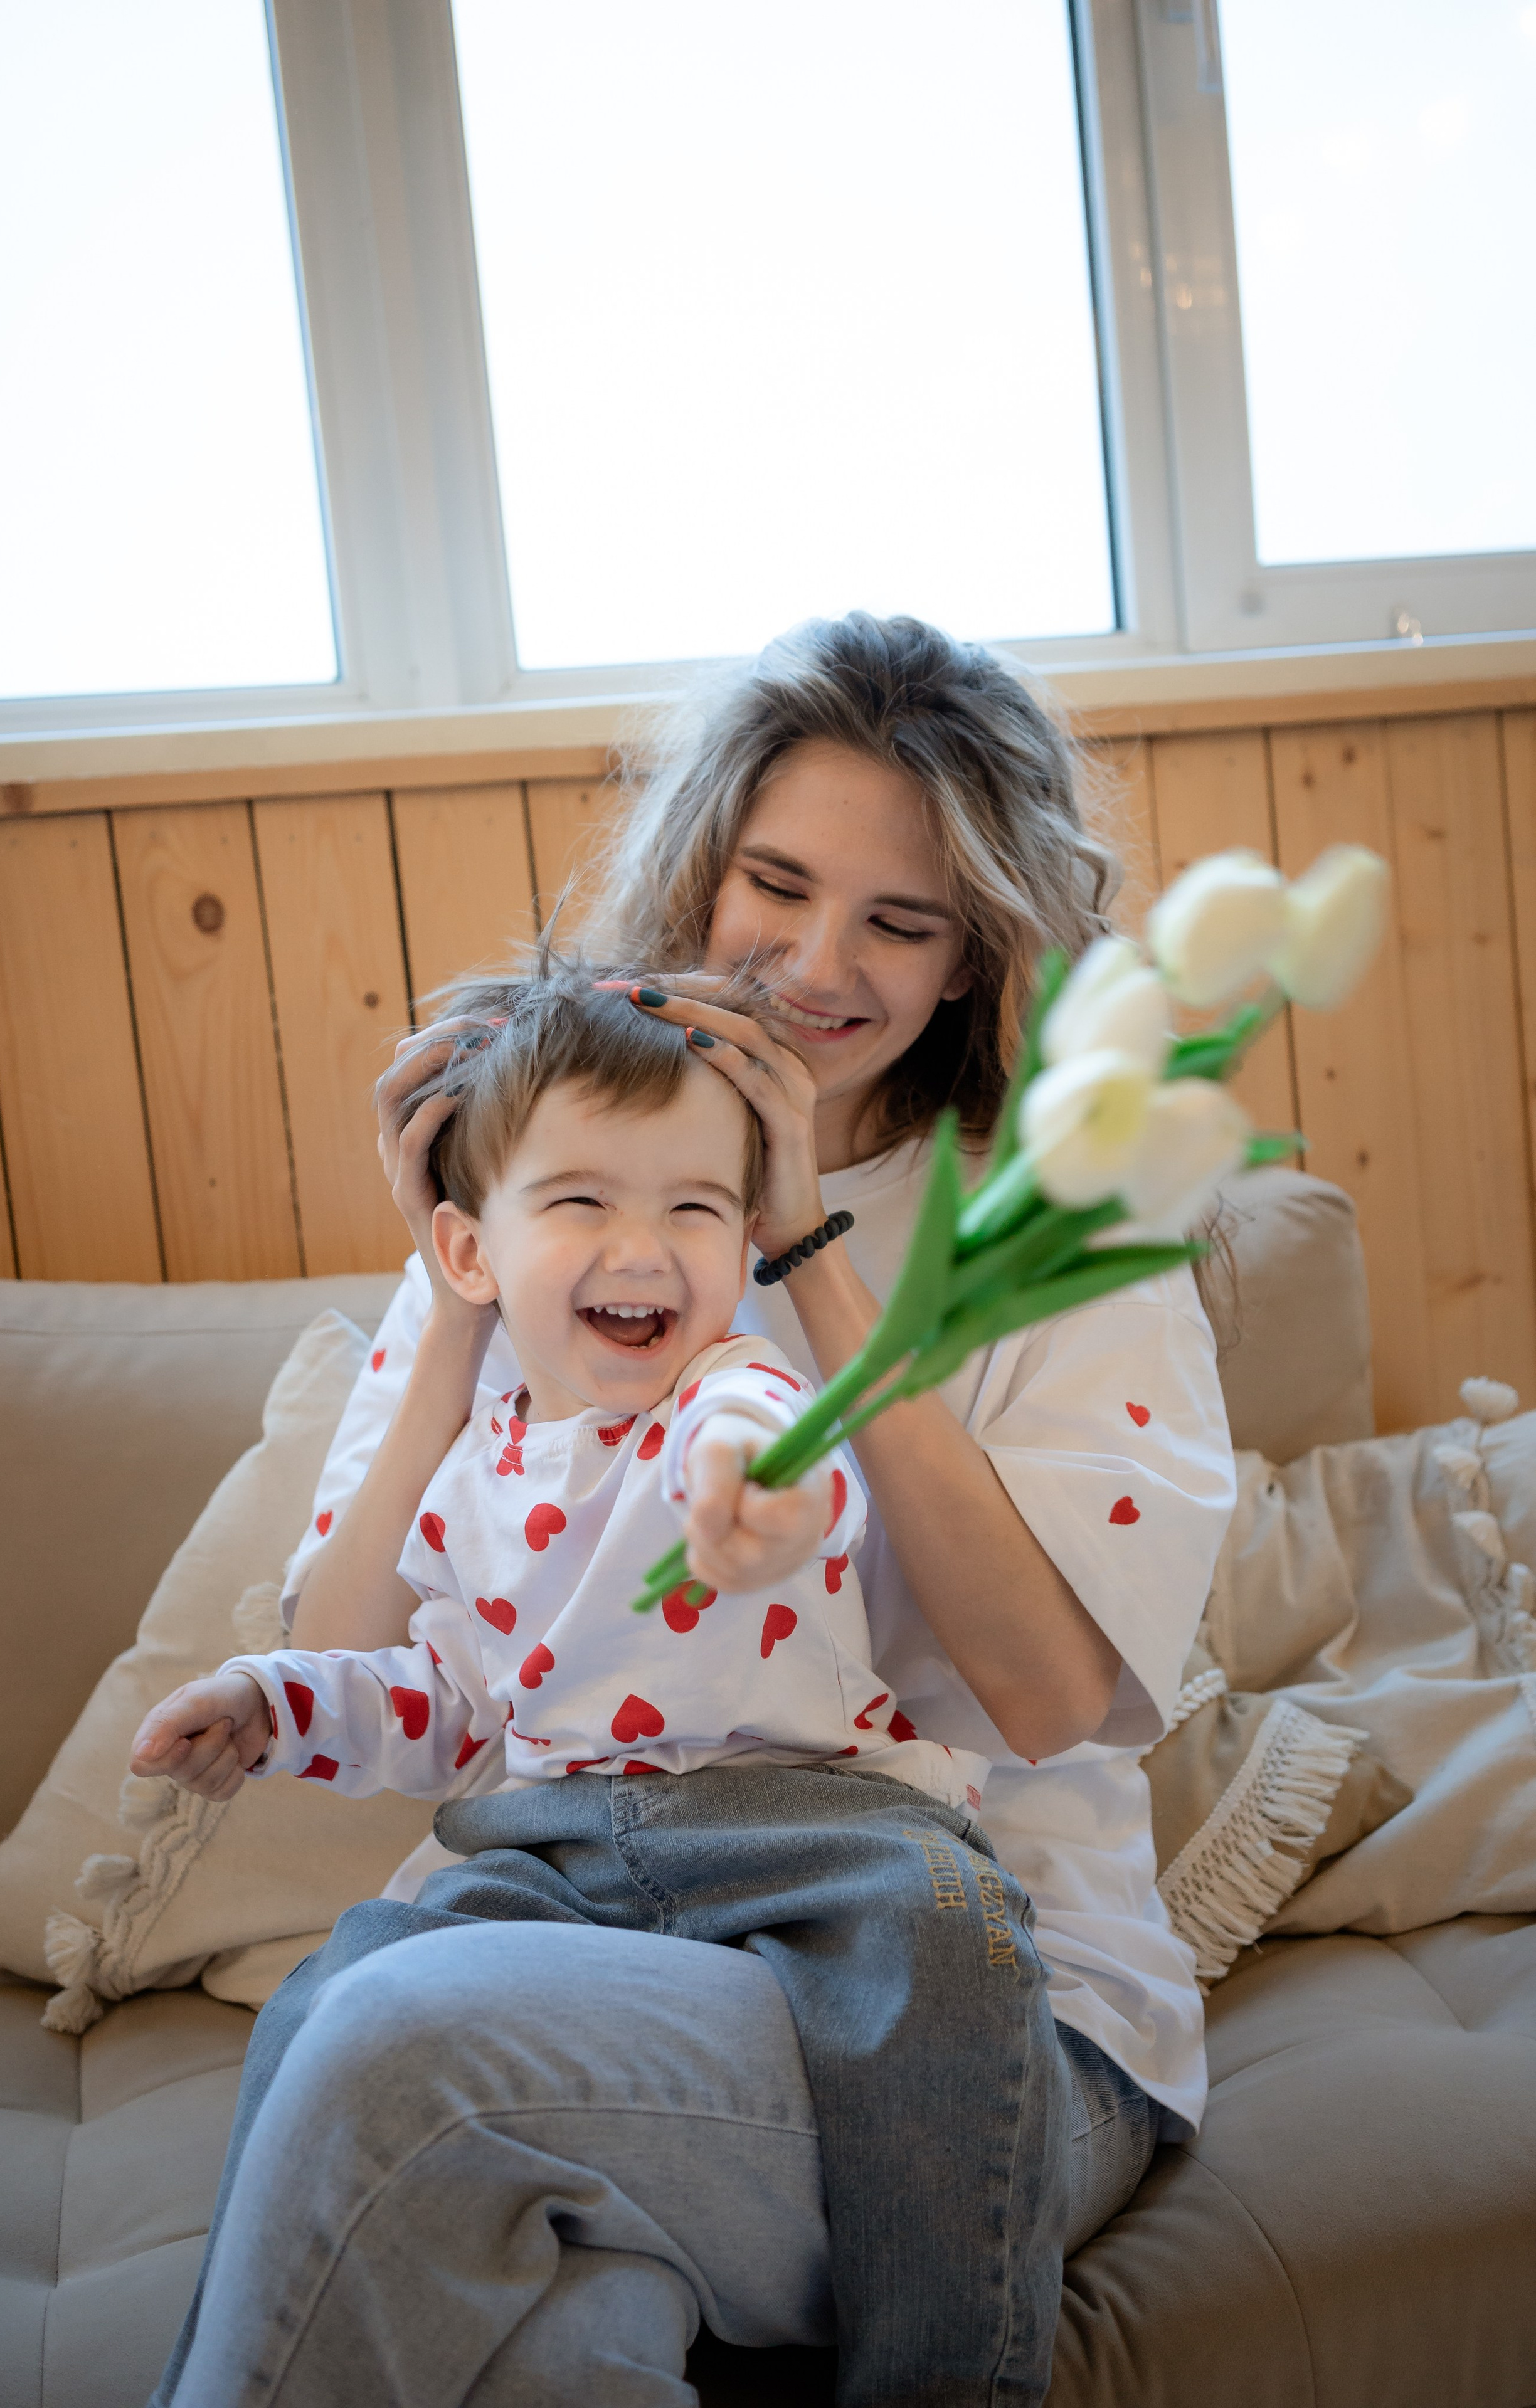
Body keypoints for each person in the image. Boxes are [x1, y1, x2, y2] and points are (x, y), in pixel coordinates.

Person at [149, 613, 1236, 2408]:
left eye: (902, 922)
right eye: (778, 887)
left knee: (398, 2054)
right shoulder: (576, 1204)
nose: (820, 964)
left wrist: (803, 1247)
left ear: (979, 955)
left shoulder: (1065, 1228)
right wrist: (449, 1302)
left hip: (970, 2008)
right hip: (595, 1932)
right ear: (700, 873)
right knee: (550, 2350)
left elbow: (1044, 1701)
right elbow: (346, 1658)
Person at [134, 960, 1037, 2403]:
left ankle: (946, 2368)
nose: (646, 1246)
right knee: (340, 1990)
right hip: (551, 1854)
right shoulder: (469, 1479)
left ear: (745, 1241)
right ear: (468, 1252)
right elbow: (442, 1703)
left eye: (692, 1207)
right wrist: (273, 1701)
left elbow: (763, 1447)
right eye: (580, 1204)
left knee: (954, 1930)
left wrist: (756, 1498)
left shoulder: (735, 1392)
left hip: (801, 1827)